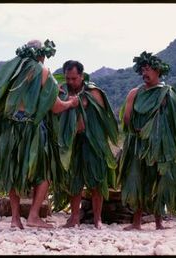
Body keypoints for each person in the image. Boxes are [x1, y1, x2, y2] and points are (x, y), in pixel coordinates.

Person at [0, 39, 79, 229]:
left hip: (9, 129)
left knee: (14, 172)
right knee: (44, 173)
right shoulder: (42, 71)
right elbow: (56, 107)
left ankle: (15, 219)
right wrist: (70, 103)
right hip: (30, 129)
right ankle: (34, 216)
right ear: (42, 54)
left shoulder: (11, 70)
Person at [118, 51, 176, 230]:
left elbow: (173, 121)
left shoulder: (167, 94)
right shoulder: (134, 93)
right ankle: (136, 222)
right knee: (137, 178)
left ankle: (158, 222)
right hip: (138, 143)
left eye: (148, 69)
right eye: (142, 70)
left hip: (161, 145)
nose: (144, 73)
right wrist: (136, 130)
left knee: (159, 179)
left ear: (158, 71)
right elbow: (126, 117)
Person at [56, 60, 119, 229]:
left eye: (74, 79)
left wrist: (83, 102)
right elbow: (55, 110)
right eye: (68, 78)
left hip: (93, 141)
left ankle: (98, 219)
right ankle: (74, 217)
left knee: (97, 180)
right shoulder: (61, 91)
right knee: (74, 180)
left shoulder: (94, 92)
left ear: (81, 76)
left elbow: (104, 117)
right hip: (72, 143)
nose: (70, 82)